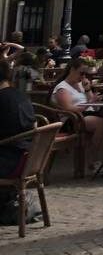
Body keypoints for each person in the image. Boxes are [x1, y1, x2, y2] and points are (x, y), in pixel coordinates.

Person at [51, 58, 103, 170]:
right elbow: (69, 109)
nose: (83, 76)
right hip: (72, 120)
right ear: (72, 69)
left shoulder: (80, 84)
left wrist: (88, 90)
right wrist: (90, 102)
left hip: (87, 114)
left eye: (86, 74)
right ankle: (93, 160)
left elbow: (92, 106)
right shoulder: (62, 88)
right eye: (82, 73)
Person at [0, 59, 38, 222]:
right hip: (28, 158)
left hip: (10, 162)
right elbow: (34, 124)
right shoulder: (20, 96)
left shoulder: (2, 100)